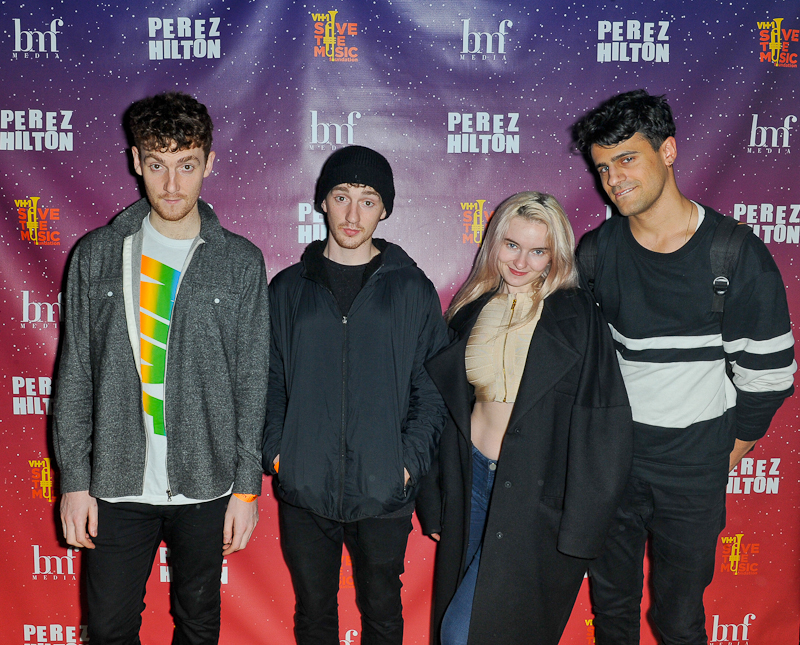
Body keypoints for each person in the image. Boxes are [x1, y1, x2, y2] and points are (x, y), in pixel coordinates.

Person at [572, 89, 796, 644]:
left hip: (694, 466)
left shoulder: (733, 253)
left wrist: (722, 454)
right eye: (603, 167)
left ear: (668, 151)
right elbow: (584, 364)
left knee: (679, 620)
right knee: (613, 611)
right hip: (612, 463)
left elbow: (769, 375)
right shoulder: (597, 253)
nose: (614, 179)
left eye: (628, 159)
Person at [53, 92, 269, 645]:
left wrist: (246, 490)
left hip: (205, 482)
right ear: (135, 161)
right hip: (117, 485)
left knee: (198, 627)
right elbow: (74, 373)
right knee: (107, 629)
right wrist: (74, 482)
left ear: (210, 163)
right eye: (157, 165)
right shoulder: (97, 254)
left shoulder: (240, 261)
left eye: (186, 165)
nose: (172, 185)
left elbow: (251, 381)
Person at [415, 191, 634, 645]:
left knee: (467, 633)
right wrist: (434, 499)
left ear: (556, 255)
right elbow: (442, 412)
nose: (521, 261)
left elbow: (604, 423)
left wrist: (583, 526)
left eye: (538, 251)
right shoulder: (469, 310)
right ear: (494, 242)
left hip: (535, 495)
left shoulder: (578, 317)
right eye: (512, 245)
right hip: (469, 482)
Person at [262, 145, 449, 645]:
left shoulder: (411, 289)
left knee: (383, 614)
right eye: (341, 196)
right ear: (323, 201)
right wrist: (281, 454)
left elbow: (432, 389)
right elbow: (269, 380)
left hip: (384, 488)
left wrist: (404, 462)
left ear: (384, 209)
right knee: (315, 614)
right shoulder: (286, 289)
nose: (352, 212)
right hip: (305, 487)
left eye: (368, 200)